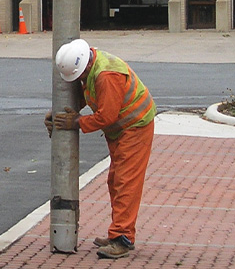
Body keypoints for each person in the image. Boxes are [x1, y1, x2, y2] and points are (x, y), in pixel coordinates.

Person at [45, 39, 156, 259]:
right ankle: (119, 232)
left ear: (83, 67)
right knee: (115, 181)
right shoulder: (91, 67)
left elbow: (107, 116)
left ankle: (122, 238)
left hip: (135, 126)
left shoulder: (106, 75)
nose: (78, 82)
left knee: (126, 183)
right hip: (123, 129)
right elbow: (90, 97)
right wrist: (57, 112)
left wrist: (75, 122)